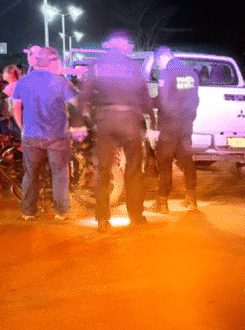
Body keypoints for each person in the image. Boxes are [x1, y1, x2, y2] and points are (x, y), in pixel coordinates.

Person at [78, 31, 152, 231]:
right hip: (130, 121)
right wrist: (152, 123)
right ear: (124, 46)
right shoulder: (133, 65)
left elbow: (84, 95)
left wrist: (78, 122)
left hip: (106, 121)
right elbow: (145, 95)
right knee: (134, 171)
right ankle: (135, 216)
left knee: (103, 171)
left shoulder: (98, 64)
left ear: (109, 45)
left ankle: (103, 220)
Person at [11, 47, 78, 221]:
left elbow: (16, 108)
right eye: (57, 61)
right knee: (60, 175)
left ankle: (28, 212)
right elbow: (78, 103)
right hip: (57, 137)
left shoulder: (22, 82)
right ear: (52, 61)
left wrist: (22, 128)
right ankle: (61, 212)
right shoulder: (61, 82)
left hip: (31, 136)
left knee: (31, 175)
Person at [152, 46, 200, 213]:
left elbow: (163, 101)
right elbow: (195, 100)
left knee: (164, 163)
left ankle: (162, 202)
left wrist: (149, 105)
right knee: (187, 161)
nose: (159, 67)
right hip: (186, 125)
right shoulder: (192, 73)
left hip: (169, 127)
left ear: (161, 59)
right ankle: (192, 199)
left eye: (158, 64)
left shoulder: (166, 74)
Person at [0, 64, 23, 137]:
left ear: (10, 74)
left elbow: (2, 102)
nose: (3, 74)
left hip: (11, 117)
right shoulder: (19, 84)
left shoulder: (10, 87)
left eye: (4, 72)